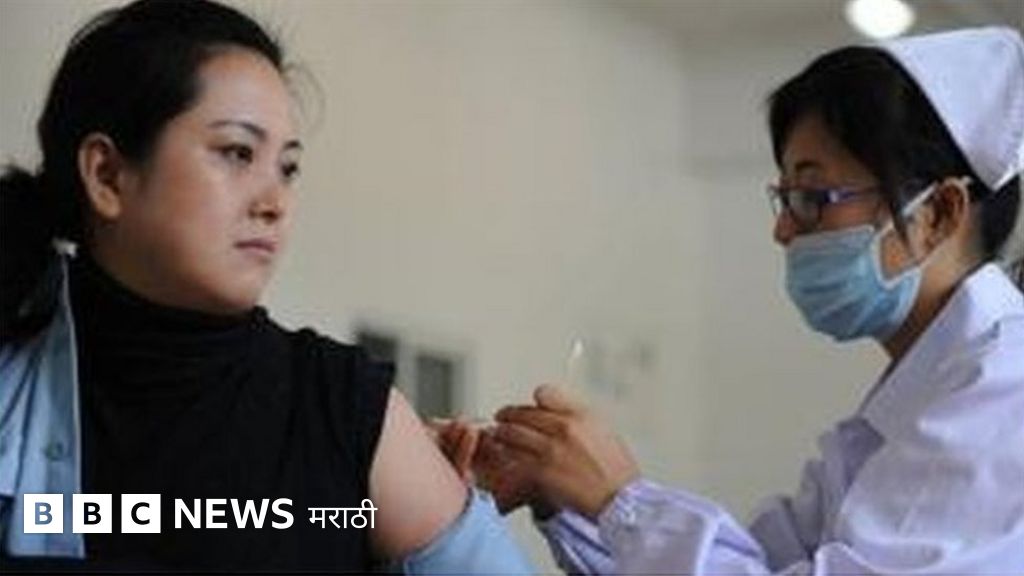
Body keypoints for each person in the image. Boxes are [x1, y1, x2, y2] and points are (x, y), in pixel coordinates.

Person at [439, 26, 1024, 574]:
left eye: (812, 197)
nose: (783, 230)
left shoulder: (1005, 389)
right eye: (785, 198)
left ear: (938, 213)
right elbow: (757, 563)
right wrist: (562, 489)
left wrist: (619, 500)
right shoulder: (913, 403)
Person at [0, 0, 533, 572]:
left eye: (287, 168)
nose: (275, 202)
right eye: (237, 153)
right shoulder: (13, 374)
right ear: (107, 175)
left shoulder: (343, 412)